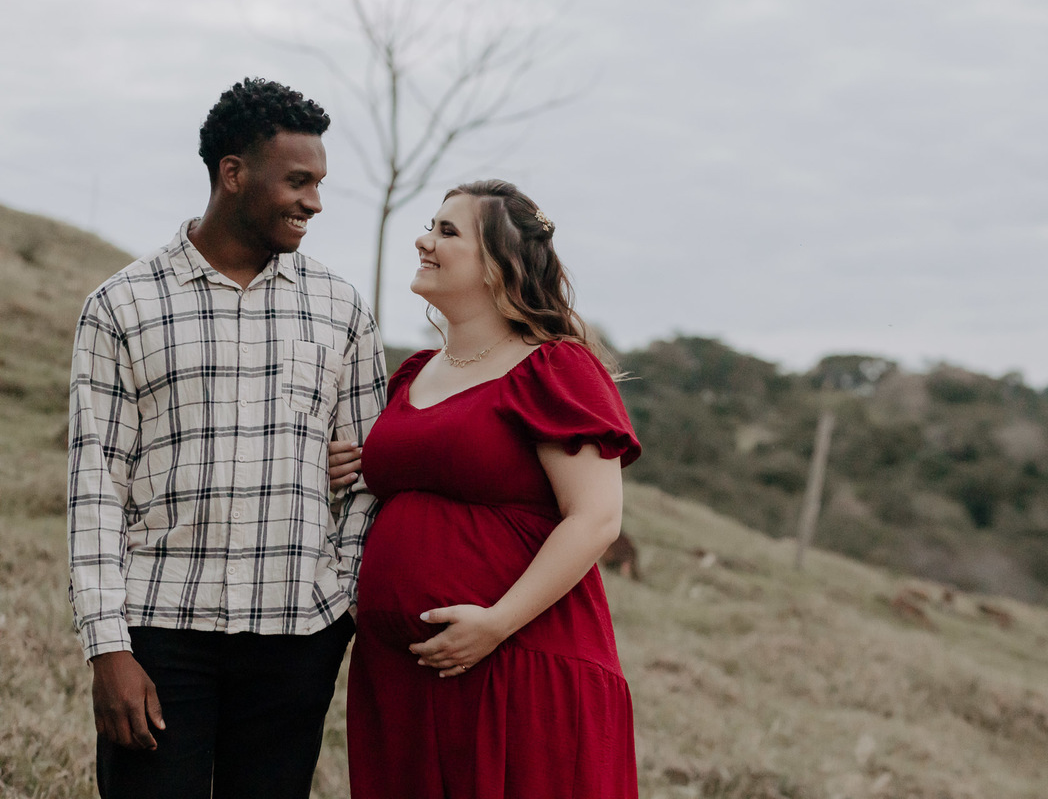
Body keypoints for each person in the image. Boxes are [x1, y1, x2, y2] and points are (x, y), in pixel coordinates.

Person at [67, 77, 386, 799]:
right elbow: (94, 485)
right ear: (233, 174)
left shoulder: (340, 310)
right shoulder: (122, 307)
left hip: (297, 638)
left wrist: (343, 600)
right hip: (159, 633)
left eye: (320, 183)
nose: (314, 201)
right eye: (298, 181)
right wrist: (107, 645)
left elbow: (371, 472)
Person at [338, 179, 641, 798]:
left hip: (516, 659)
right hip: (404, 676)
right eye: (430, 225)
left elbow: (595, 518)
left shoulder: (554, 368)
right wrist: (359, 464)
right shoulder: (414, 375)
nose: (423, 241)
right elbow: (424, 474)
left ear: (498, 265)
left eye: (448, 232)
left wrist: (497, 623)